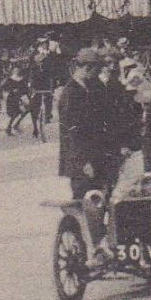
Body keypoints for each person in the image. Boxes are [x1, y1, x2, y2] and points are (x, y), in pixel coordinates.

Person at [57, 48, 109, 198]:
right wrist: (83, 162)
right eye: (96, 70)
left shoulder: (89, 87)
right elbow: (71, 132)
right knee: (85, 204)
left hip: (93, 157)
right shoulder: (70, 93)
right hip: (81, 162)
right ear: (87, 68)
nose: (98, 74)